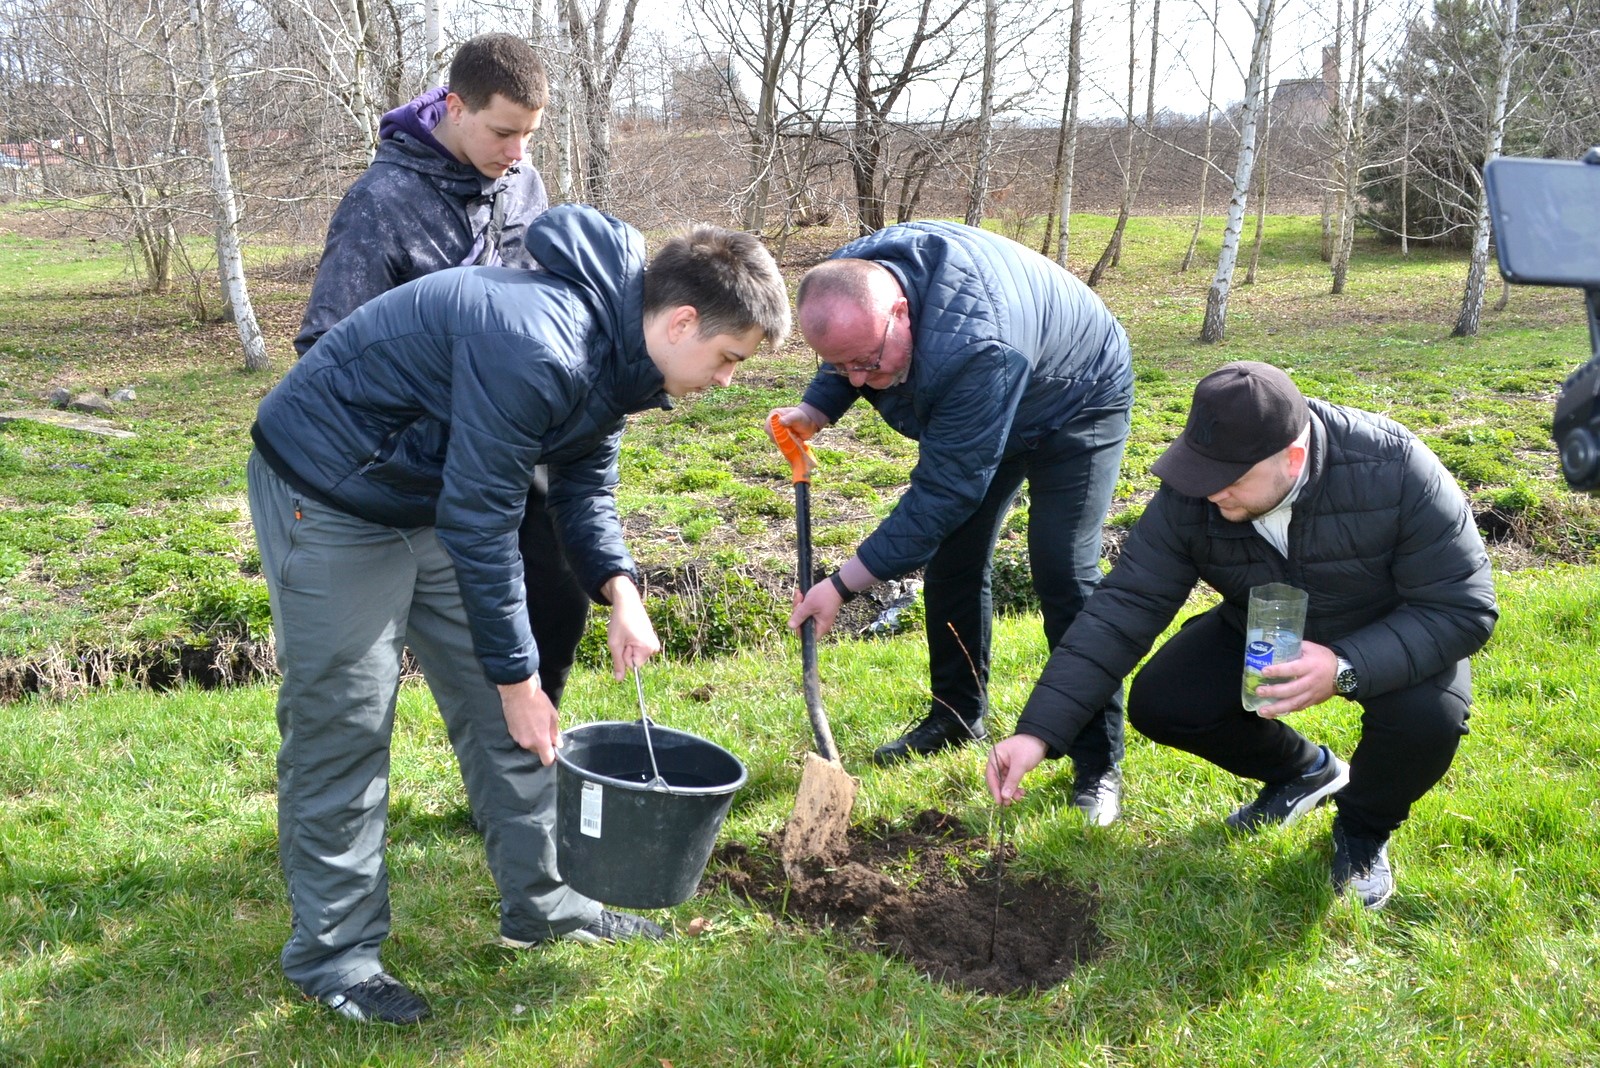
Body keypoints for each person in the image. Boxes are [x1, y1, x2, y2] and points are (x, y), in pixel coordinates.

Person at [249, 204, 790, 1023]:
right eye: (728, 359)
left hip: (423, 492)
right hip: (328, 489)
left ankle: (548, 907)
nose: (726, 381)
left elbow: (583, 487)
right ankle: (337, 958)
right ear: (682, 322)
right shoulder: (538, 345)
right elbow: (482, 522)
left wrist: (621, 590)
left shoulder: (621, 353)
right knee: (346, 724)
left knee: (517, 716)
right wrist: (516, 681)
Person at [986, 361, 1498, 909]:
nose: (1210, 493)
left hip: (1389, 624)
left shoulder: (1394, 466)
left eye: (1229, 479)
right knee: (1165, 701)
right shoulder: (1195, 490)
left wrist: (1344, 666)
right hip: (1264, 621)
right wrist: (1038, 731)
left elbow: (1462, 608)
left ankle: (1362, 831)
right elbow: (1123, 607)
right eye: (1200, 473)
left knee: (1428, 718)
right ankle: (1306, 773)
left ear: (1292, 458)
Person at [769, 221, 1134, 825]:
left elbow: (943, 493)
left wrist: (841, 585)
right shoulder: (853, 277)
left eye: (868, 363)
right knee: (954, 559)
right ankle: (957, 717)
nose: (858, 378)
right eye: (842, 366)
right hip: (995, 387)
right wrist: (818, 406)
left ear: (902, 312)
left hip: (1076, 396)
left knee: (1063, 570)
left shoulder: (978, 346)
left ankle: (1098, 762)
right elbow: (850, 350)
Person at [294, 33, 592, 710]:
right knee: (423, 642)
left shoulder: (523, 183)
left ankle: (530, 742)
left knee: (558, 596)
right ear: (456, 107)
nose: (517, 153)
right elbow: (326, 349)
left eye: (529, 135)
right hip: (423, 456)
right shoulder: (381, 202)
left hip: (514, 433)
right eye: (503, 132)